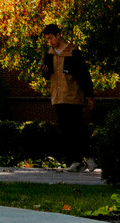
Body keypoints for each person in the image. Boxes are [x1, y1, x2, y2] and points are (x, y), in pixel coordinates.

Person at [41, 23, 95, 171]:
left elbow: (84, 75)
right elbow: (48, 76)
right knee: (65, 131)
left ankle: (89, 157)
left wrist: (90, 96)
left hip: (73, 95)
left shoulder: (73, 52)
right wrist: (45, 71)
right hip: (58, 97)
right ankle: (75, 161)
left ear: (58, 35)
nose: (50, 41)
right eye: (47, 39)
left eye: (51, 38)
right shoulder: (49, 55)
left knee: (77, 128)